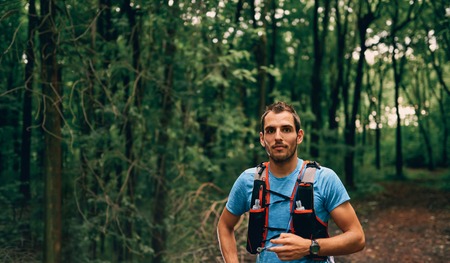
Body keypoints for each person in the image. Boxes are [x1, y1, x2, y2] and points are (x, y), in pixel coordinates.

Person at [217, 101, 365, 263]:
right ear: (262, 138)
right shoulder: (249, 180)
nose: (278, 137)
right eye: (270, 130)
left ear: (299, 136)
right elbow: (224, 225)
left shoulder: (324, 179)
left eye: (286, 129)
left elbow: (357, 238)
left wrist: (309, 246)